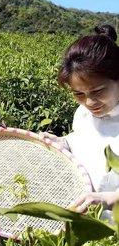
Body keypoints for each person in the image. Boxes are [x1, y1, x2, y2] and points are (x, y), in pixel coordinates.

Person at [42, 24, 119, 213]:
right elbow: (82, 140)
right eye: (79, 94)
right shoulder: (83, 113)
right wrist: (63, 142)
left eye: (98, 91)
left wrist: (109, 198)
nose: (90, 102)